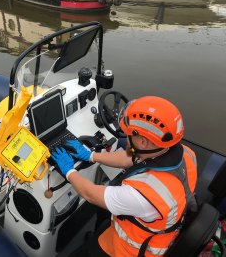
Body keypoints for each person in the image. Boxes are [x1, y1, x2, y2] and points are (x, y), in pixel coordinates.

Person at [51, 96, 198, 257]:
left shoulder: (144, 195)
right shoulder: (185, 154)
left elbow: (90, 194)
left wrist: (68, 171)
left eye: (128, 135)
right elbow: (131, 157)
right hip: (155, 227)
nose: (125, 138)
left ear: (143, 142)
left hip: (125, 250)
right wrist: (91, 156)